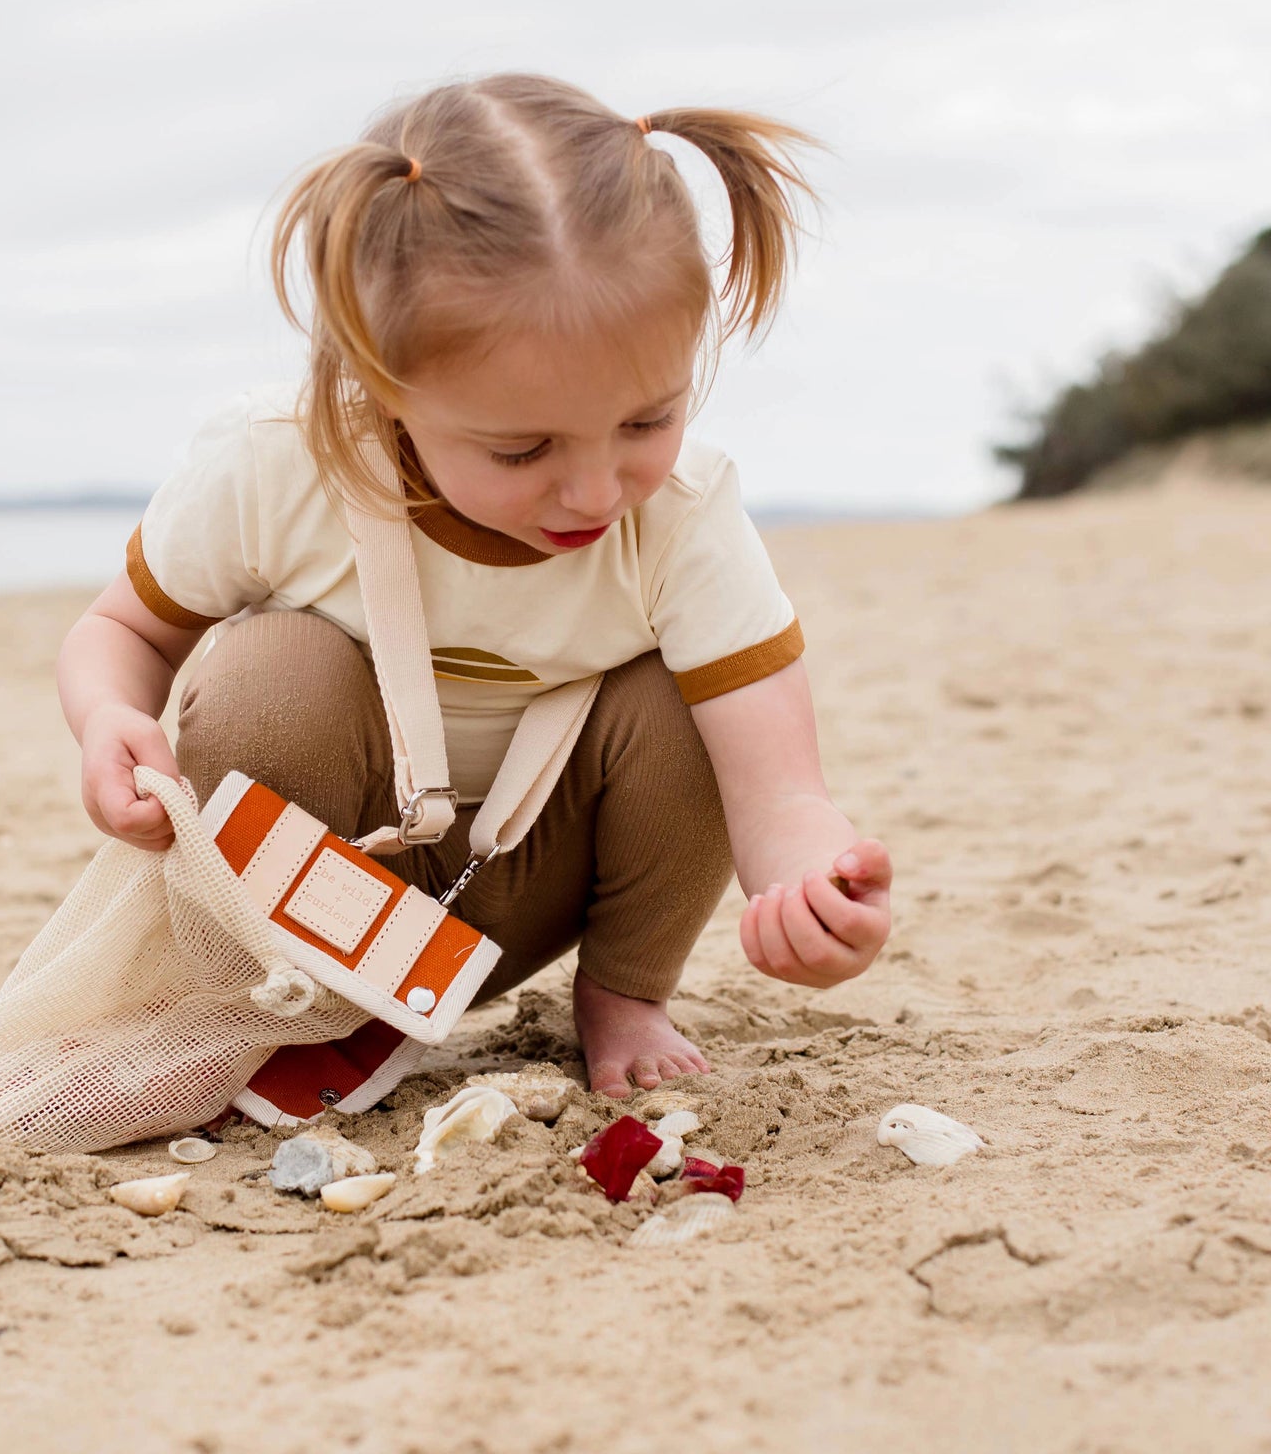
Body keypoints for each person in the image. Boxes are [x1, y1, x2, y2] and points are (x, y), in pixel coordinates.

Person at [56, 73, 891, 1100]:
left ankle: (625, 994)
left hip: (534, 889)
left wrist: (810, 886)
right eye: (521, 446)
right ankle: (302, 998)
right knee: (273, 668)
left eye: (645, 421)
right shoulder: (276, 467)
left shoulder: (680, 512)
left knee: (688, 697)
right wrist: (106, 717)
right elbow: (121, 631)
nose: (594, 487)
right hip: (313, 877)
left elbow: (777, 784)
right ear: (383, 378)